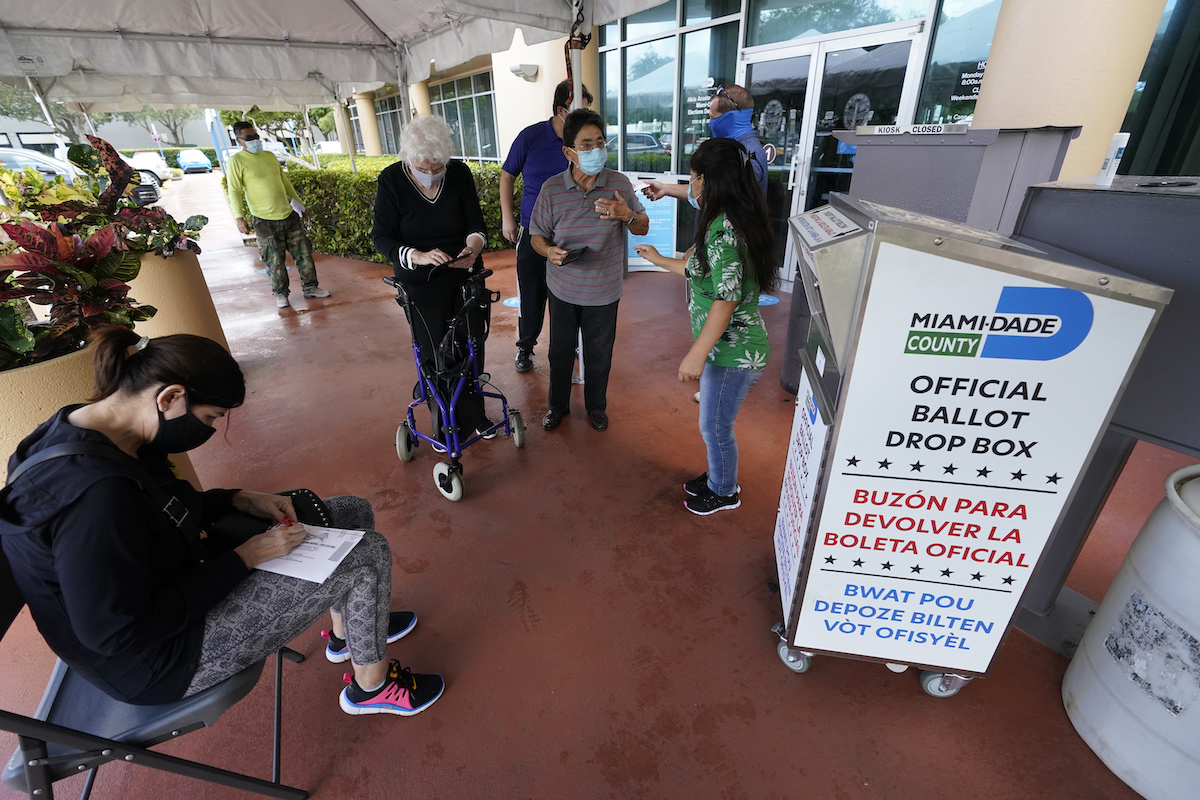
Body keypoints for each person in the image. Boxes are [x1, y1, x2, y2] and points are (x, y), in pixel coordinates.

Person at [0, 326, 443, 715]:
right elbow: (117, 633)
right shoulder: (93, 500)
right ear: (171, 397)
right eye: (210, 417)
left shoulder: (94, 430)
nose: (210, 429)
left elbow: (159, 508)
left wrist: (237, 498)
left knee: (352, 512)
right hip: (160, 658)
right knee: (365, 554)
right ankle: (373, 688)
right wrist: (243, 558)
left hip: (179, 573)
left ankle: (349, 636)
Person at [634, 137, 779, 515]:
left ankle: (724, 490)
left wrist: (695, 356)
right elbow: (699, 272)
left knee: (715, 426)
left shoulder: (723, 233)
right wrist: (660, 259)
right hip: (724, 348)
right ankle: (719, 477)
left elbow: (726, 299)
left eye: (694, 177)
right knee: (712, 423)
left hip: (734, 352)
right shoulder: (728, 209)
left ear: (710, 182)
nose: (691, 185)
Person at [372, 115, 493, 443]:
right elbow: (381, 238)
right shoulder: (391, 180)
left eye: (437, 166)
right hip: (420, 283)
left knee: (471, 344)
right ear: (407, 158)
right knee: (433, 352)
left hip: (463, 274)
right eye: (422, 167)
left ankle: (474, 412)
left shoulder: (459, 173)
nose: (430, 173)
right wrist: (417, 255)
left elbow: (477, 225)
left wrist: (473, 247)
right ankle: (444, 421)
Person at [530, 109, 649, 434]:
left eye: (600, 142)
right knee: (560, 354)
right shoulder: (552, 189)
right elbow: (536, 236)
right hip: (564, 290)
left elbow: (642, 227)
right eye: (586, 145)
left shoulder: (619, 184)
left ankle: (596, 408)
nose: (596, 150)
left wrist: (626, 214)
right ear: (569, 151)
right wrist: (549, 251)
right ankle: (558, 408)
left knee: (599, 356)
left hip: (604, 291)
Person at [500, 80, 593, 374]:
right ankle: (526, 347)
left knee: (571, 294)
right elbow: (506, 176)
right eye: (579, 110)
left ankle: (571, 344)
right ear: (561, 110)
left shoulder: (583, 142)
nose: (585, 117)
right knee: (532, 292)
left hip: (572, 231)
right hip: (534, 230)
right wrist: (508, 218)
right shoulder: (531, 137)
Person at [225, 121, 330, 309]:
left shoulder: (269, 156)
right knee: (274, 261)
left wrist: (300, 205)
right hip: (264, 220)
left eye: (255, 136)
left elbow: (285, 183)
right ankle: (281, 294)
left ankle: (311, 287)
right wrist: (239, 217)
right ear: (239, 140)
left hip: (288, 215)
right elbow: (234, 191)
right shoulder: (236, 161)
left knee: (304, 254)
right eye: (248, 138)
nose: (254, 141)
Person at [642, 84, 769, 202]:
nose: (710, 123)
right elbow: (704, 192)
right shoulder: (734, 148)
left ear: (729, 119)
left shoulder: (746, 154)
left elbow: (722, 202)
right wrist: (664, 188)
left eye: (712, 118)